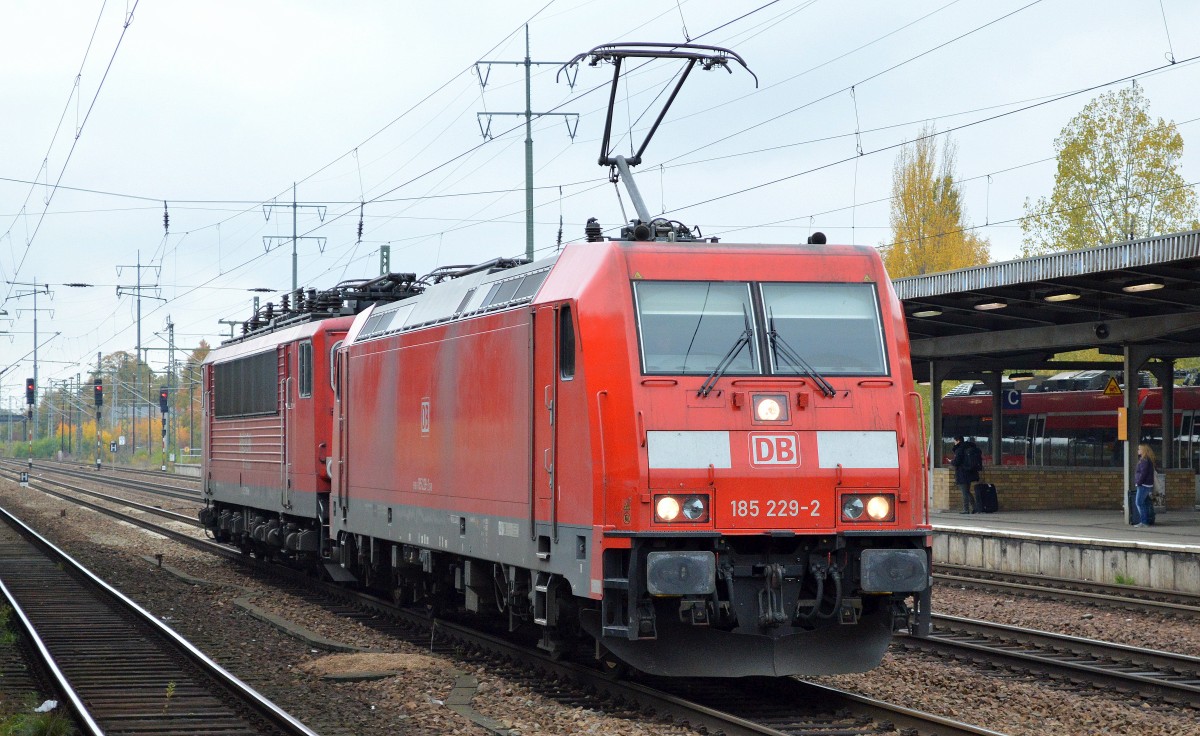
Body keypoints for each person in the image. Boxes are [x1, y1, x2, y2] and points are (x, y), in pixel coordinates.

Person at [950, 436, 982, 514]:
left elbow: (957, 462)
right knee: (967, 491)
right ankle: (975, 508)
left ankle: (966, 509)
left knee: (965, 492)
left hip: (962, 473)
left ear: (958, 441)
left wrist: (951, 461)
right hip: (970, 472)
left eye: (954, 441)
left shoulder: (960, 449)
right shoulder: (969, 447)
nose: (954, 442)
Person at [1134, 444, 1156, 527]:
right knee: (1146, 503)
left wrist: (1139, 482)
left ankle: (1144, 521)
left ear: (1143, 450)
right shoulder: (1147, 460)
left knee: (1139, 503)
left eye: (1139, 449)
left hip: (1143, 485)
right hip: (1147, 484)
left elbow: (1143, 473)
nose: (1138, 450)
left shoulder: (1144, 460)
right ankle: (1147, 520)